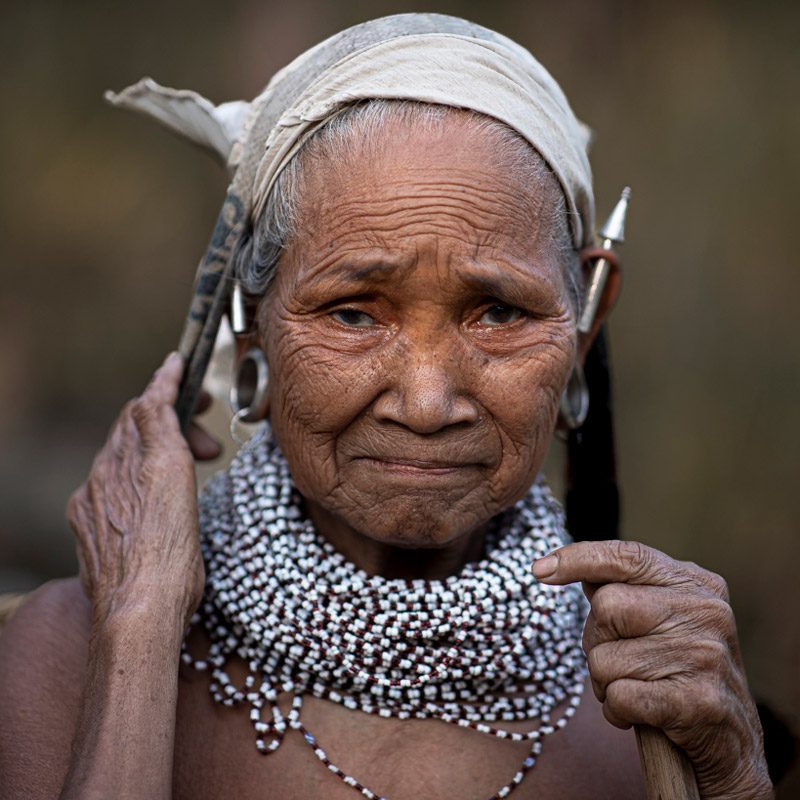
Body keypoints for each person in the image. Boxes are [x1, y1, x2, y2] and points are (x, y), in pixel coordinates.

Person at [0, 14, 772, 800]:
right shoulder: (74, 653)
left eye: (500, 313)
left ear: (582, 329)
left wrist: (737, 776)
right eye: (353, 313)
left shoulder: (658, 703)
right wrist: (138, 636)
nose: (428, 403)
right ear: (252, 326)